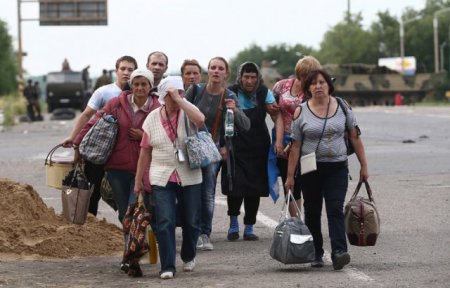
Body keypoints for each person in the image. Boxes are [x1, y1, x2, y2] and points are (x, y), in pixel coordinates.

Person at [74, 69, 160, 271]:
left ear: (150, 86)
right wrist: (78, 144)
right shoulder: (116, 104)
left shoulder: (157, 108)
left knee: (134, 211)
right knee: (124, 214)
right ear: (131, 85)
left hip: (143, 169)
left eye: (144, 84)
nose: (139, 88)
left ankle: (132, 258)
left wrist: (143, 137)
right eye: (136, 84)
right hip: (116, 168)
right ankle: (129, 253)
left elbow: (167, 136)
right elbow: (93, 123)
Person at [285, 69, 369, 270]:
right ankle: (316, 252)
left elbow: (355, 137)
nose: (318, 86)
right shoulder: (301, 111)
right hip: (310, 169)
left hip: (337, 168)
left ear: (328, 85)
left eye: (322, 82)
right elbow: (295, 146)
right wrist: (290, 177)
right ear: (308, 88)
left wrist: (364, 166)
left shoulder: (343, 107)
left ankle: (339, 251)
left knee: (334, 209)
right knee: (312, 211)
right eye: (313, 83)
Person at [134, 76, 205, 280]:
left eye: (181, 92)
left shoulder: (187, 110)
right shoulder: (152, 118)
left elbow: (200, 120)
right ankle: (167, 265)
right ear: (163, 96)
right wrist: (139, 181)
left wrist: (181, 100)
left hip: (189, 174)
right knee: (165, 221)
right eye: (173, 94)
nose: (177, 96)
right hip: (161, 176)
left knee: (192, 221)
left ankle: (189, 254)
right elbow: (145, 151)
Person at [184, 57, 250, 251]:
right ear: (208, 71)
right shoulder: (195, 91)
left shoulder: (229, 95)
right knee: (189, 192)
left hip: (212, 151)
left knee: (207, 193)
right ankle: (191, 233)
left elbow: (245, 125)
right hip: (191, 148)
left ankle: (205, 234)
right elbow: (181, 116)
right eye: (212, 67)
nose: (216, 71)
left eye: (220, 68)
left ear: (226, 73)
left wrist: (234, 110)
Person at [62, 56, 138, 216]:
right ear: (116, 71)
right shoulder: (104, 92)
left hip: (123, 153)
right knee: (92, 193)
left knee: (123, 198)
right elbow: (87, 116)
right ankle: (89, 230)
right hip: (99, 151)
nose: (126, 72)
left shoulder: (138, 92)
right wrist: (73, 138)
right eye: (123, 69)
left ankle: (128, 234)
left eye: (130, 69)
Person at [224, 62, 279, 241]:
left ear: (258, 78)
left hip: (258, 147)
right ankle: (233, 224)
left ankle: (249, 227)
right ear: (240, 77)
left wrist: (280, 139)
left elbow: (275, 113)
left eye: (253, 77)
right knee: (235, 187)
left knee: (254, 189)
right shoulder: (230, 92)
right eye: (246, 77)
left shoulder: (264, 92)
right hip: (235, 146)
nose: (249, 81)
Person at [272, 56, 321, 216]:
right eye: (305, 75)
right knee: (289, 182)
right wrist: (279, 140)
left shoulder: (314, 92)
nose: (308, 80)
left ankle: (309, 221)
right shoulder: (281, 86)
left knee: (306, 182)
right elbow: (276, 113)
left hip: (306, 142)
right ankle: (296, 221)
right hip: (282, 138)